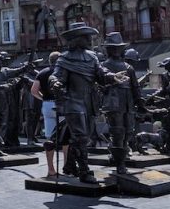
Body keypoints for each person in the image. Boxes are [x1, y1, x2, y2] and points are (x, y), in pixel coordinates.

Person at [49, 22, 125, 184]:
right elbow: (56, 76)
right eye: (86, 36)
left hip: (89, 102)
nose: (90, 39)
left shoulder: (92, 57)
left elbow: (100, 73)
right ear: (77, 39)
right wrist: (55, 83)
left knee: (85, 137)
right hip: (73, 101)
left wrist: (112, 76)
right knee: (81, 137)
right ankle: (84, 171)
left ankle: (70, 165)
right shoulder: (64, 58)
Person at [100, 32, 142, 174]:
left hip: (127, 103)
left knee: (128, 131)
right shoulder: (103, 66)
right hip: (113, 103)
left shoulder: (128, 67)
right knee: (118, 132)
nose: (116, 50)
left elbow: (135, 88)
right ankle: (120, 163)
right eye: (113, 47)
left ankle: (119, 156)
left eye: (118, 47)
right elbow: (99, 86)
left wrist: (140, 103)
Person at [0, 51, 29, 158]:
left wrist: (26, 67)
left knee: (2, 126)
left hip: (4, 103)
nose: (0, 63)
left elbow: (18, 71)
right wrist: (0, 87)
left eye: (0, 61)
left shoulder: (5, 71)